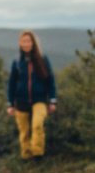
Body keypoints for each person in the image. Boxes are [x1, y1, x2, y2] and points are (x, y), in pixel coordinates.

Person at [6, 30, 57, 160]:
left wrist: (52, 100)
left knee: (37, 125)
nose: (26, 44)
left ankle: (38, 154)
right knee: (24, 132)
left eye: (28, 41)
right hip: (21, 101)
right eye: (23, 41)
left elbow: (50, 80)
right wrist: (10, 103)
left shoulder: (42, 60)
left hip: (39, 99)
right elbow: (11, 83)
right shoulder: (17, 62)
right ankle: (26, 157)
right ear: (20, 43)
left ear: (33, 43)